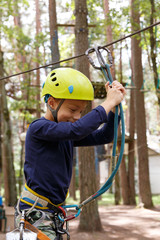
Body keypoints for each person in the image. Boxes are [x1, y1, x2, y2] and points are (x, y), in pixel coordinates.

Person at [16, 67, 126, 240]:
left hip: (52, 213)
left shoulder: (66, 135)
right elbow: (77, 129)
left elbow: (104, 135)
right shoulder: (38, 128)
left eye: (81, 111)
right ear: (51, 103)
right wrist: (108, 102)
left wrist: (113, 110)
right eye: (73, 110)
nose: (77, 116)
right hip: (35, 213)